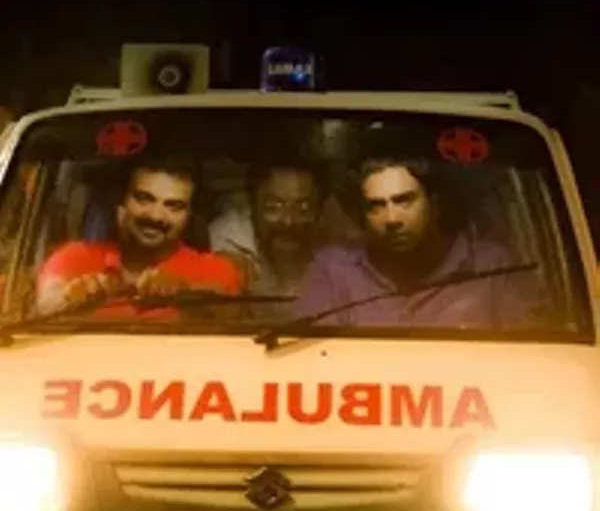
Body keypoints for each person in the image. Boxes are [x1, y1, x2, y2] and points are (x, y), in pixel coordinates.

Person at [293, 156, 546, 329]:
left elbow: (534, 356)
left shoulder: (493, 267)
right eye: (376, 206)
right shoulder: (333, 271)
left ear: (434, 203)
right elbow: (311, 362)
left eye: (405, 201)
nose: (392, 219)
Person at [36, 158, 244, 320]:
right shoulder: (75, 257)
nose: (156, 216)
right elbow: (43, 306)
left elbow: (231, 315)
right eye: (144, 199)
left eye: (174, 206)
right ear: (122, 204)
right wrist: (71, 297)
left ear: (189, 216)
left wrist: (183, 292)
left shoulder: (214, 271)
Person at [213, 162, 324, 307]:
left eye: (303, 209)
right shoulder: (226, 243)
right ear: (252, 206)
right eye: (274, 208)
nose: (288, 221)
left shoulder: (335, 241)